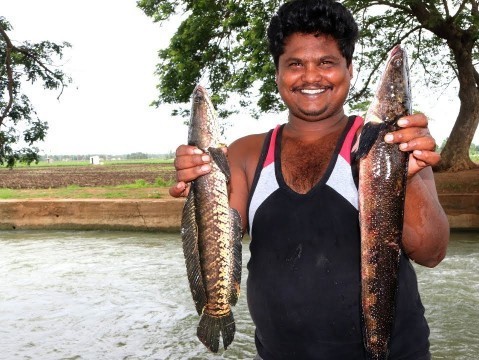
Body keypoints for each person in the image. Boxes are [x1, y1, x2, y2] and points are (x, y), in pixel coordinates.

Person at [170, 0, 450, 358]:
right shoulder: (244, 154)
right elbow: (219, 238)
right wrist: (198, 180)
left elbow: (432, 252)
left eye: (327, 62)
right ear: (277, 72)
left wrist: (404, 176)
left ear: (349, 68)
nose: (311, 76)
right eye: (295, 64)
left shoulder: (396, 143)